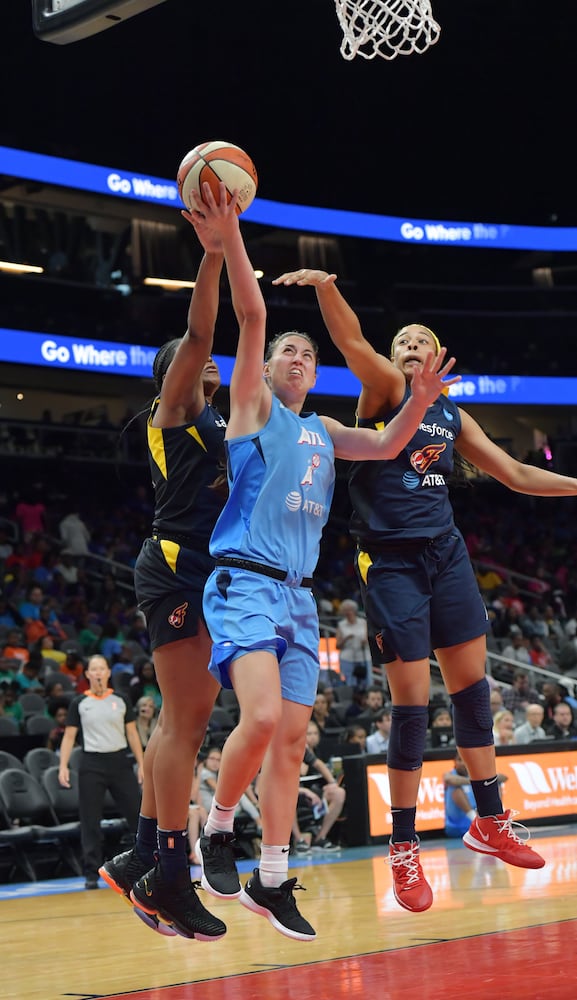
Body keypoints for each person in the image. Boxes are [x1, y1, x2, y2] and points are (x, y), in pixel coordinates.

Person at [191, 183, 458, 941]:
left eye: (308, 353)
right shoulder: (252, 408)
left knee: (291, 740)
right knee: (264, 715)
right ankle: (216, 831)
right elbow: (250, 315)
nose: (300, 356)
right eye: (289, 351)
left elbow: (385, 445)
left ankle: (272, 879)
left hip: (301, 598)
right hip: (244, 579)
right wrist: (231, 237)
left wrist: (420, 396)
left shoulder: (324, 428)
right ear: (268, 368)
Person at [271, 268, 577, 912]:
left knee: (473, 693)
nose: (409, 347)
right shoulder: (383, 390)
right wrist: (327, 288)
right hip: (391, 562)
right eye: (402, 341)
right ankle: (404, 847)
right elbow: (354, 344)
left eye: (420, 341)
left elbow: (518, 473)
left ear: (437, 357)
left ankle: (490, 820)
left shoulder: (452, 415)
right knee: (411, 706)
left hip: (446, 554)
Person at [99, 211, 228, 942]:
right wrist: (211, 256)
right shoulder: (175, 407)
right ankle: (169, 877)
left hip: (196, 570)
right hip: (178, 568)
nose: (206, 359)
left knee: (184, 725)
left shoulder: (211, 420)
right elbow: (204, 334)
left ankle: (141, 854)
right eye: (189, 356)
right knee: (184, 726)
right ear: (172, 373)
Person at [58, 655, 144, 890]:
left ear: (108, 673)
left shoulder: (121, 699)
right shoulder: (79, 703)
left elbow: (133, 734)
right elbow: (69, 736)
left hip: (119, 761)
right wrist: (63, 765)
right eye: (93, 670)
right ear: (87, 675)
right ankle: (91, 872)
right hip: (91, 763)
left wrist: (142, 764)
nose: (97, 673)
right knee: (90, 820)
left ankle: (144, 864)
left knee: (136, 814)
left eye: (101, 669)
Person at [292, 720, 346, 855]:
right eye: (309, 733)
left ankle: (320, 838)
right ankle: (299, 841)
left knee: (339, 793)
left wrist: (332, 783)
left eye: (315, 733)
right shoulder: (287, 747)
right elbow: (301, 772)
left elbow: (319, 765)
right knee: (289, 797)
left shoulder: (315, 751)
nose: (313, 737)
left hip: (312, 792)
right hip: (290, 791)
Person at [444, 751, 507, 838]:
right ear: (454, 762)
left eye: (464, 760)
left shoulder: (477, 773)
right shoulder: (450, 774)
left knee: (495, 783)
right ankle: (475, 820)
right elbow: (449, 780)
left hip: (480, 822)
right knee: (454, 788)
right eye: (459, 760)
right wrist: (476, 782)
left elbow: (504, 777)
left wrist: (484, 780)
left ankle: (498, 816)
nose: (462, 763)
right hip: (457, 827)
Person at [335, 599, 370, 687]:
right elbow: (337, 645)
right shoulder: (341, 625)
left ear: (354, 610)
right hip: (347, 658)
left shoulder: (363, 622)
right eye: (345, 610)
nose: (347, 612)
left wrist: (365, 641)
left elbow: (368, 638)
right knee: (350, 683)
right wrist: (346, 639)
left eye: (349, 610)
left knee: (367, 682)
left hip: (363, 656)